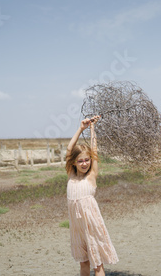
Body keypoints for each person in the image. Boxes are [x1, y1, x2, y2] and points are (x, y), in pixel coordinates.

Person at [66, 115, 119, 276]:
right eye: (80, 161)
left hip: (92, 224)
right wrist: (81, 128)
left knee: (97, 264)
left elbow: (94, 151)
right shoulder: (71, 176)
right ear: (74, 162)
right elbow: (69, 150)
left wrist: (92, 128)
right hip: (77, 226)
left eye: (87, 160)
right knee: (83, 263)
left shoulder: (91, 176)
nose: (84, 163)